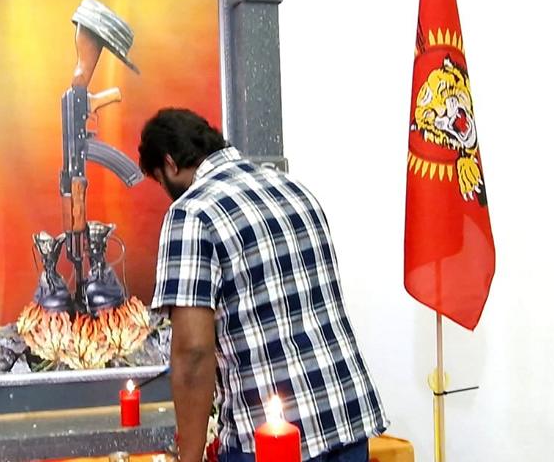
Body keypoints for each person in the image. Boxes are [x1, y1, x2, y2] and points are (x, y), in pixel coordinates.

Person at [138, 108, 388, 462]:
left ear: (170, 164)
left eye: (160, 181)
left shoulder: (191, 213)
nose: (166, 193)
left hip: (267, 437)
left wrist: (190, 457)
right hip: (346, 416)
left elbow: (193, 352)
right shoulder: (293, 189)